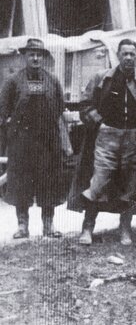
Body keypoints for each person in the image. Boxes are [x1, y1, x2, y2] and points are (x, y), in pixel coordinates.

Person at [78, 39, 136, 245]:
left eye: (132, 54)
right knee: (98, 182)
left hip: (134, 140)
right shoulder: (102, 78)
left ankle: (125, 229)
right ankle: (87, 228)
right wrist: (100, 124)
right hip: (107, 138)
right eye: (125, 54)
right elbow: (85, 105)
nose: (129, 57)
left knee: (130, 185)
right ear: (118, 56)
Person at [0, 38, 66, 239]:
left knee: (49, 182)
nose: (35, 58)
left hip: (47, 140)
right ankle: (22, 226)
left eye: (39, 54)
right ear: (24, 56)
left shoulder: (52, 80)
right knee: (21, 183)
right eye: (31, 54)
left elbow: (60, 106)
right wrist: (12, 126)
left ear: (44, 57)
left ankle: (48, 226)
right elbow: (3, 108)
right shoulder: (13, 81)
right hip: (22, 141)